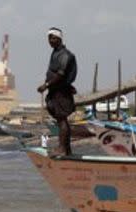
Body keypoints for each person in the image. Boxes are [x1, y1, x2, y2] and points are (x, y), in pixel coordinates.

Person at [37, 27, 77, 156]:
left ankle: (62, 149)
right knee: (60, 120)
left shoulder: (65, 55)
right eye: (49, 38)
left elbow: (61, 74)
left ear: (59, 39)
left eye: (53, 38)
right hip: (55, 92)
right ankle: (67, 149)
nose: (50, 41)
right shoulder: (55, 53)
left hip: (61, 92)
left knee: (62, 119)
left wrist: (46, 85)